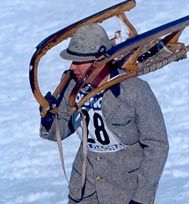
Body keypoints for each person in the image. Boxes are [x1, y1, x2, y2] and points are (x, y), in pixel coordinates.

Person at [39, 23, 169, 204]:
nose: (72, 67)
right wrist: (48, 120)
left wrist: (142, 197)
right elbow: (59, 131)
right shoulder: (70, 85)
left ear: (99, 62)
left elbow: (157, 145)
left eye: (78, 61)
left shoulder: (135, 90)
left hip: (125, 192)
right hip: (84, 189)